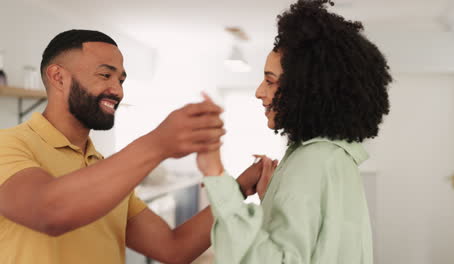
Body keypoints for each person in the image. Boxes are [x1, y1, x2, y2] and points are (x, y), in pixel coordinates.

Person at [0, 29, 268, 264]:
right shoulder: (9, 145)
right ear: (58, 77)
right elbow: (49, 212)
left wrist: (239, 186)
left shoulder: (102, 169)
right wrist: (159, 142)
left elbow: (174, 248)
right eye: (105, 75)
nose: (117, 90)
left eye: (121, 80)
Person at [196, 0, 392, 263]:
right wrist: (273, 199)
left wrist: (214, 171)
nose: (259, 92)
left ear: (305, 90)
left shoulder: (311, 162)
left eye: (270, 81)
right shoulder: (333, 157)